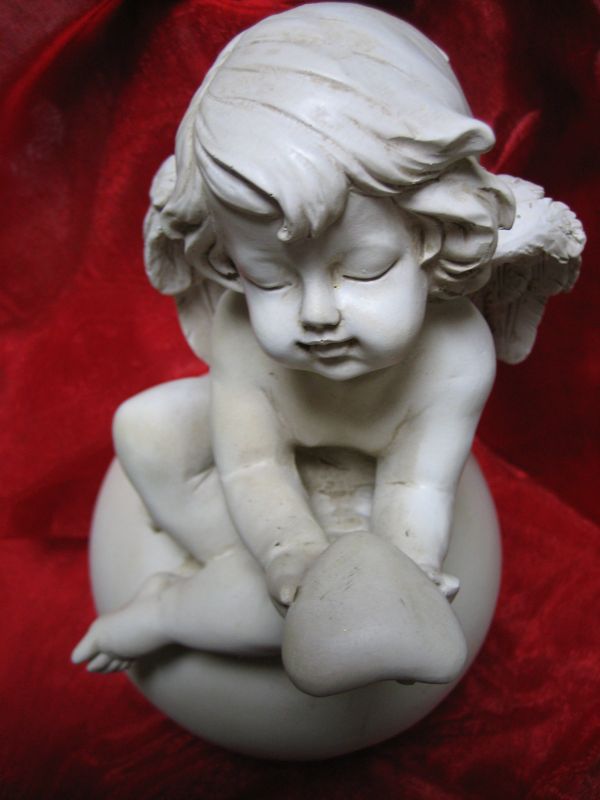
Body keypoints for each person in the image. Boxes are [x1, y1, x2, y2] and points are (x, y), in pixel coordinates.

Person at [72, 3, 581, 677]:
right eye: (270, 278)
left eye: (363, 270)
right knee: (144, 428)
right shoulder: (242, 332)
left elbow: (418, 484)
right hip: (256, 498)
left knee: (330, 619)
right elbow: (253, 466)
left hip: (373, 499)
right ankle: (225, 564)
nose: (316, 314)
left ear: (431, 239)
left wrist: (404, 568)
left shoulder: (453, 353)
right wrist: (287, 552)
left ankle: (172, 610)